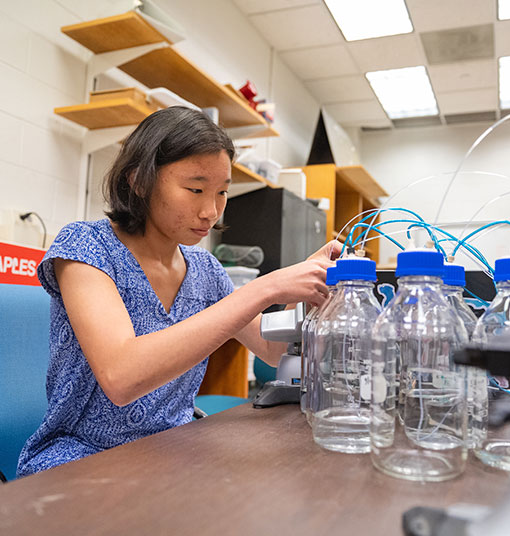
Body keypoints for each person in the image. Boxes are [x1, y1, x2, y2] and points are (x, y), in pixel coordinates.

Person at [17, 106, 340, 477]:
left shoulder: (205, 270)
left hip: (171, 450)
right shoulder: (85, 248)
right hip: (81, 459)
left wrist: (307, 284)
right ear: (139, 181)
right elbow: (122, 377)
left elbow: (271, 349)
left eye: (222, 192)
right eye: (196, 189)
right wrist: (265, 288)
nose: (211, 211)